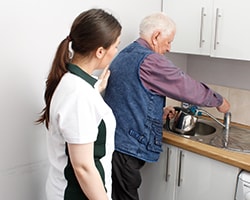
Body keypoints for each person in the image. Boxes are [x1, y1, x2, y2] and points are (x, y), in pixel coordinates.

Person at [103, 12, 230, 200]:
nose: (169, 48)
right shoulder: (150, 60)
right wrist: (219, 101)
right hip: (126, 149)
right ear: (155, 36)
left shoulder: (126, 53)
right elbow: (186, 86)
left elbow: (128, 97)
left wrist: (156, 113)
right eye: (169, 41)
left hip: (115, 144)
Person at [36, 8, 121, 200]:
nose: (116, 51)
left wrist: (97, 88)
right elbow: (83, 167)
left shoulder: (72, 81)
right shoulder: (78, 95)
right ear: (100, 51)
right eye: (116, 46)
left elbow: (78, 110)